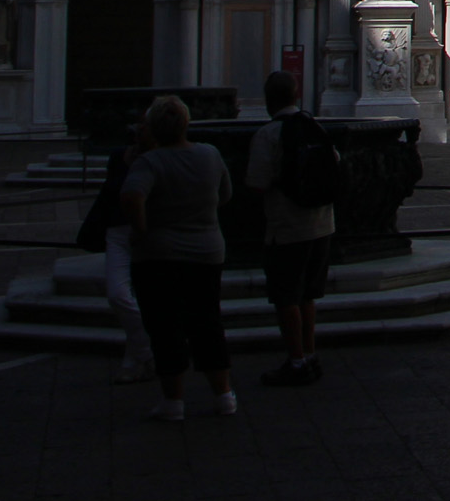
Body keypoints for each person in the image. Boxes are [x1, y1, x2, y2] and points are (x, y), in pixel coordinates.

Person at [119, 95, 236, 421]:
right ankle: (224, 395)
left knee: (165, 327)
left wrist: (140, 231)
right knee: (208, 323)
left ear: (154, 128)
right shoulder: (209, 154)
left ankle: (173, 401)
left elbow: (131, 196)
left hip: (159, 257)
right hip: (207, 253)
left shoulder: (150, 162)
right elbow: (225, 195)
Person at [247, 70, 337, 387]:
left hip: (287, 227)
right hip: (322, 224)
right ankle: (309, 354)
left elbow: (256, 183)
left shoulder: (268, 135)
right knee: (308, 295)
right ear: (296, 96)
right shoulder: (315, 126)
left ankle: (296, 359)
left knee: (286, 297)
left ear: (268, 100)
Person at [76, 120, 156, 383]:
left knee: (147, 298)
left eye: (145, 128)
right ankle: (149, 351)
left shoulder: (162, 158)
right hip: (117, 231)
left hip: (150, 233)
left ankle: (133, 360)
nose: (138, 131)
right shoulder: (118, 157)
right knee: (118, 294)